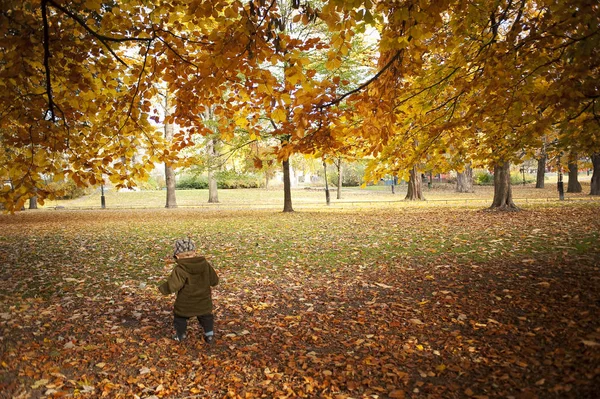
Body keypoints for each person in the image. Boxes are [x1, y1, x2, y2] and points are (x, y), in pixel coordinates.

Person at [159, 238, 219, 344]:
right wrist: (213, 282)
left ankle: (180, 335)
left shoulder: (180, 269)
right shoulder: (205, 265)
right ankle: (209, 335)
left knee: (180, 317)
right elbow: (214, 279)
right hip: (203, 299)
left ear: (177, 256)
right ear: (194, 253)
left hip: (186, 302)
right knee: (206, 316)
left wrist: (163, 289)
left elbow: (174, 285)